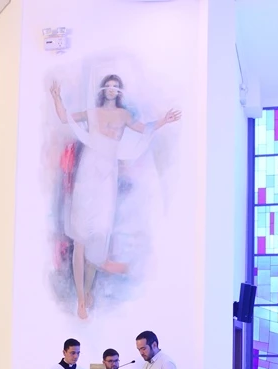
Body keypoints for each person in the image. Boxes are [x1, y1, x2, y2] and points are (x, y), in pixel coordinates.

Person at [50, 76, 182, 319]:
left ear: (119, 90)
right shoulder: (92, 112)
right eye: (108, 85)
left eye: (115, 86)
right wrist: (56, 97)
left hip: (107, 176)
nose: (111, 89)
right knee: (80, 236)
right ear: (103, 89)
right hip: (88, 173)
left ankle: (87, 290)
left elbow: (144, 128)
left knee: (99, 236)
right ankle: (81, 299)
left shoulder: (123, 115)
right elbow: (64, 117)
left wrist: (164, 120)